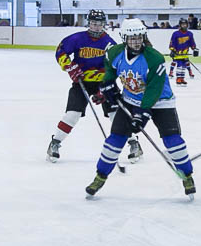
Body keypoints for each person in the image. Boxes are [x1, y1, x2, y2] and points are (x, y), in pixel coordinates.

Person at [85, 18, 195, 199]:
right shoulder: (114, 53)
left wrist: (143, 114)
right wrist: (107, 86)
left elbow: (154, 88)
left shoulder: (155, 58)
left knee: (173, 141)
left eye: (139, 37)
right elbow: (110, 69)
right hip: (130, 100)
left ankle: (187, 176)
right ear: (124, 38)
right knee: (114, 141)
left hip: (161, 102)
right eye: (132, 38)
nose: (136, 41)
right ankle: (100, 176)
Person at [46, 10, 142, 164]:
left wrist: (105, 88)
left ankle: (133, 143)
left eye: (100, 24)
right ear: (89, 23)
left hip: (104, 84)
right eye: (94, 24)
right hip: (81, 82)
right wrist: (69, 67)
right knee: (72, 114)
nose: (97, 27)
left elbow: (116, 67)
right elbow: (61, 51)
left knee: (115, 115)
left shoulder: (109, 43)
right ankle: (55, 143)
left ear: (104, 24)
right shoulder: (77, 38)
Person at [168, 18, 199, 86]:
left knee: (184, 66)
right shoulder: (175, 34)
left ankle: (182, 78)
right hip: (177, 53)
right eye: (182, 24)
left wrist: (194, 49)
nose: (184, 26)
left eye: (185, 24)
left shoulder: (190, 34)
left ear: (187, 25)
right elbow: (172, 42)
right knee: (179, 66)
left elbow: (192, 43)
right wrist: (172, 50)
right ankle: (178, 78)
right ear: (180, 25)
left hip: (185, 53)